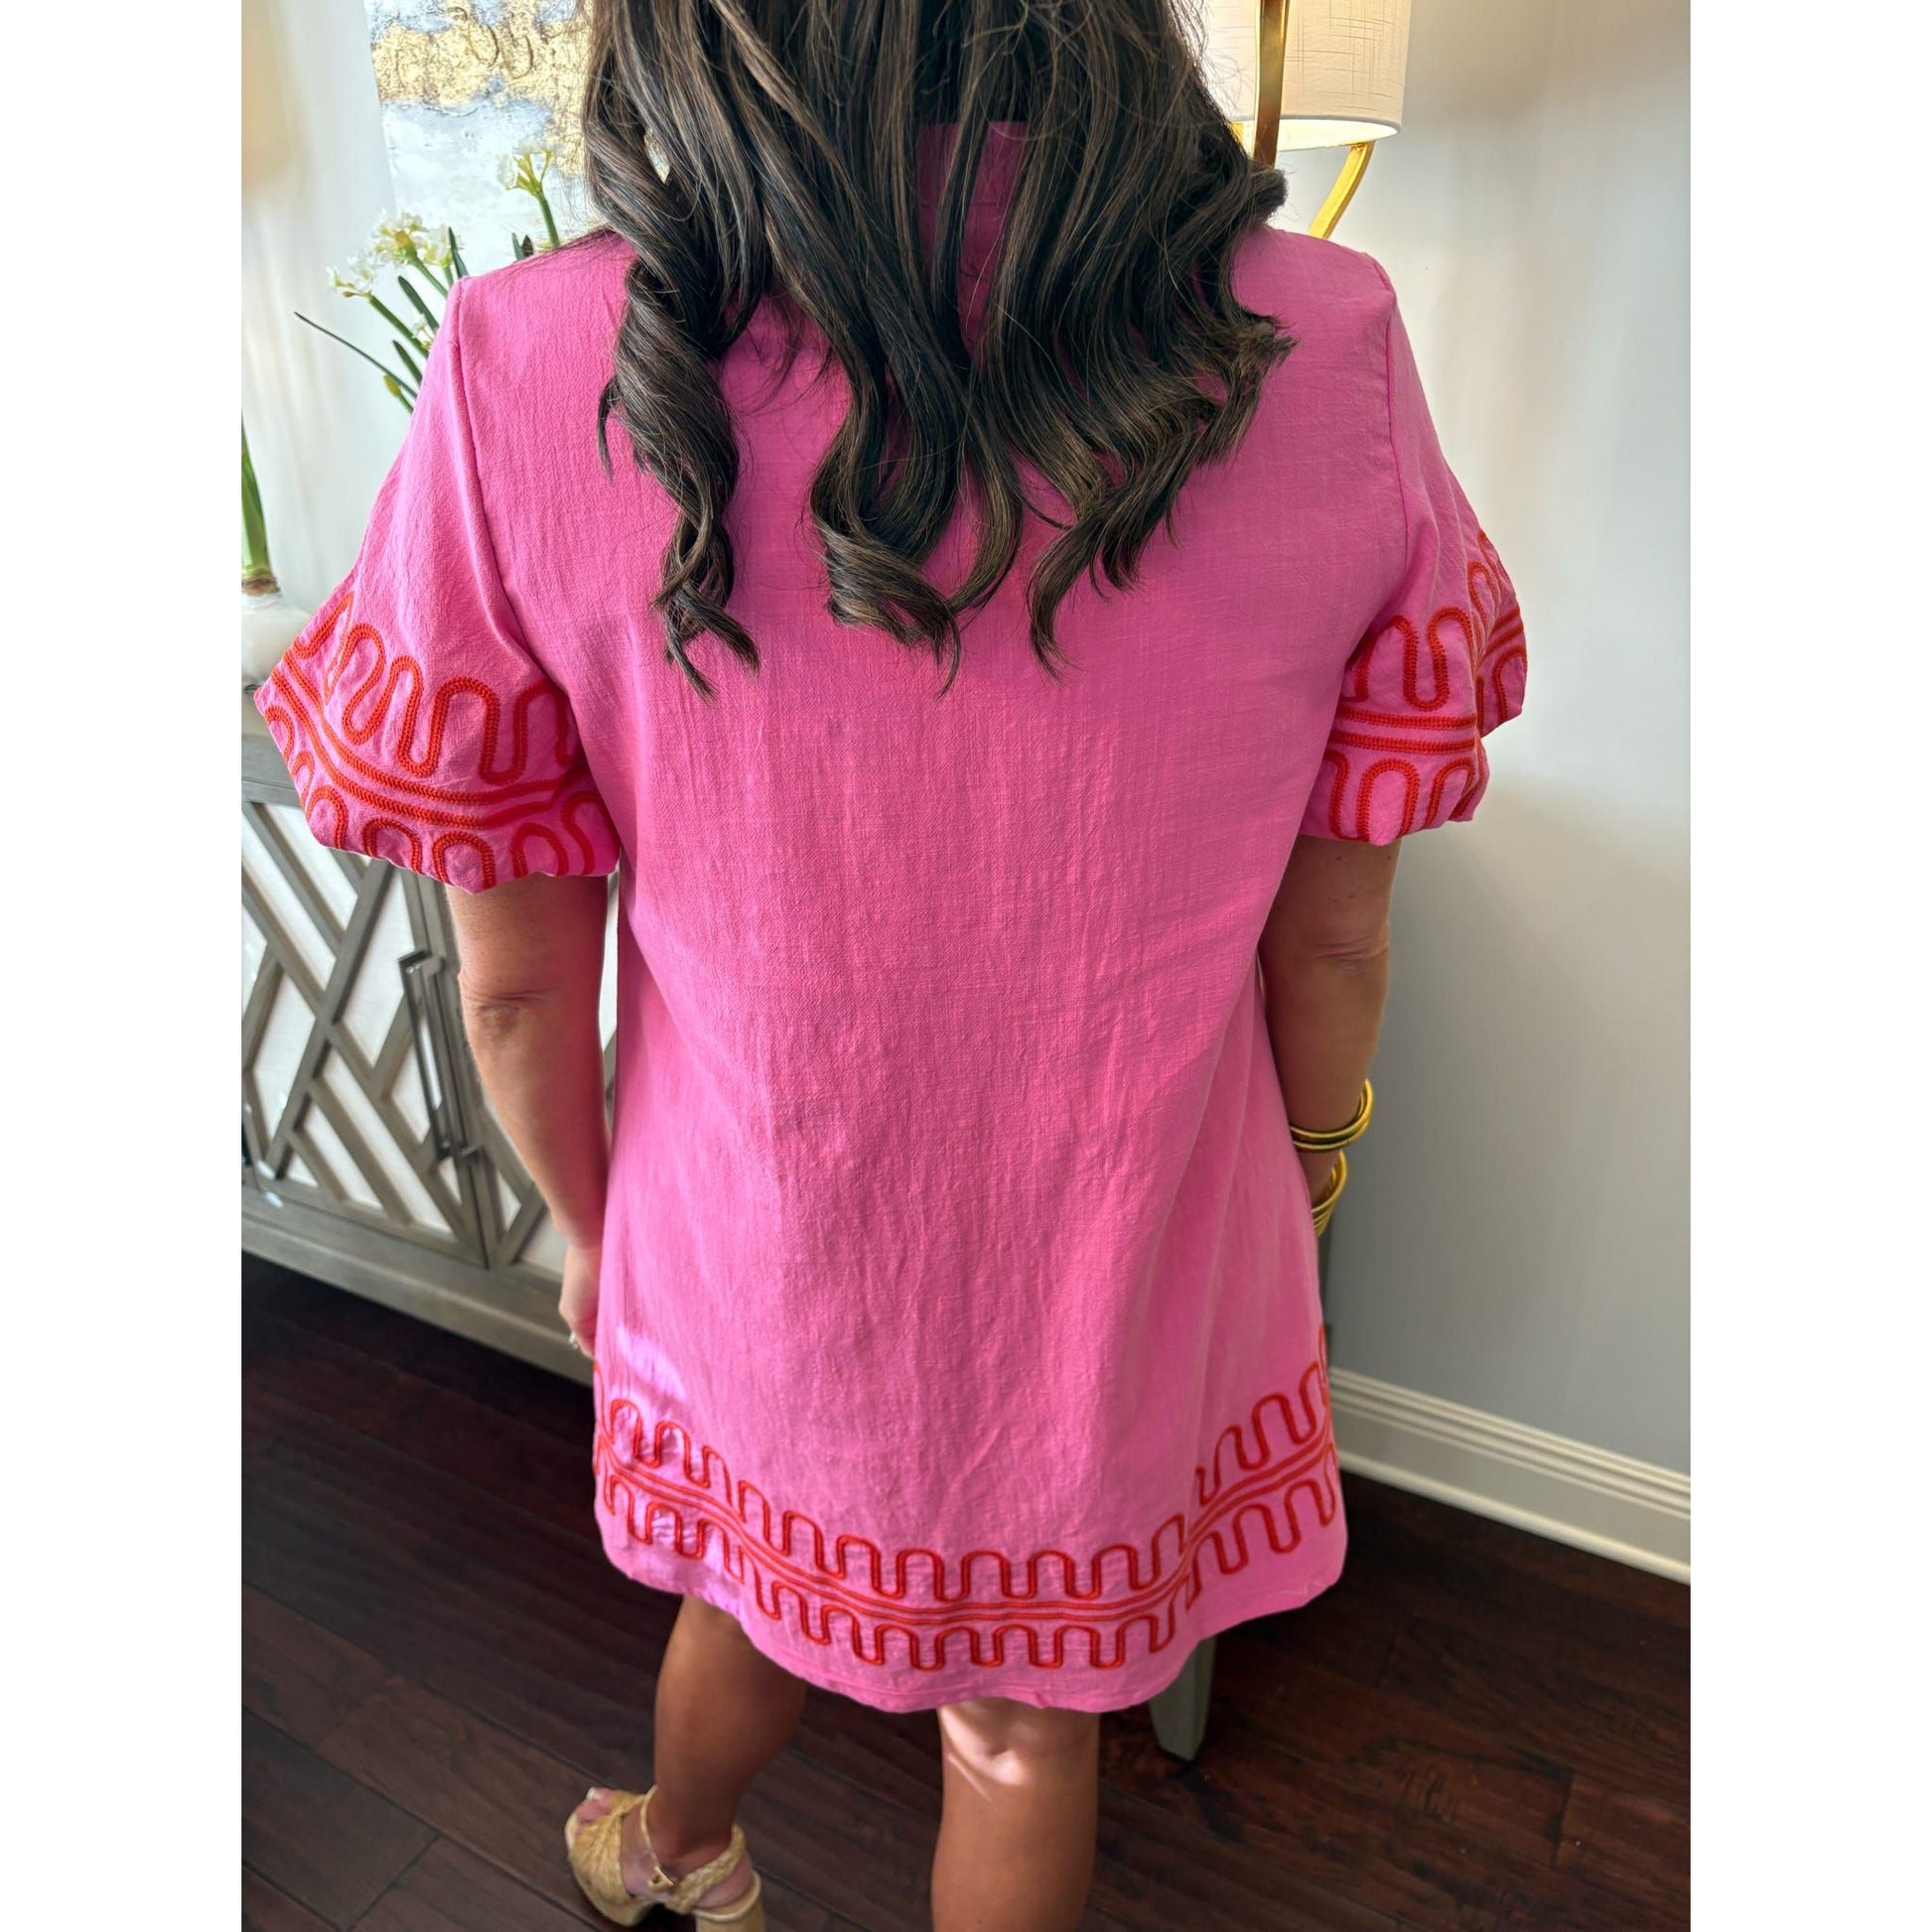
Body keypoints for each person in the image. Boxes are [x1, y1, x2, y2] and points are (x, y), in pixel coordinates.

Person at [253, 2, 1526, 1925]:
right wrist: (1312, 1155)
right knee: (1025, 1723)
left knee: (757, 1583)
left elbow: (514, 981)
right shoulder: (1320, 337)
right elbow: (1331, 930)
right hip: (1135, 1244)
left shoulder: (530, 357)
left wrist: (594, 1221)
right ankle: (677, 1845)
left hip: (756, 1232)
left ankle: (673, 1854)